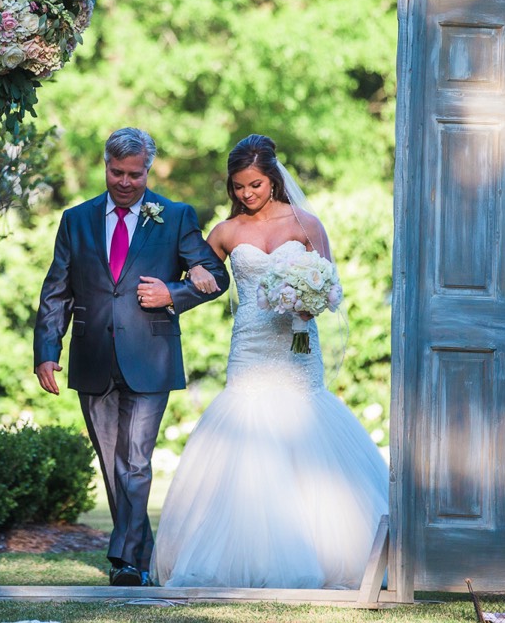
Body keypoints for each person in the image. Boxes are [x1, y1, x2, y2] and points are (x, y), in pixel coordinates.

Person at [151, 134, 389, 589]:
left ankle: (328, 553)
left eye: (255, 184)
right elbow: (200, 273)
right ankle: (238, 559)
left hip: (297, 343)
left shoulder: (306, 223)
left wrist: (309, 303)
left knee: (304, 428)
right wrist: (195, 273)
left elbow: (331, 285)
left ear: (273, 179)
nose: (247, 194)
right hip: (250, 345)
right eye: (239, 186)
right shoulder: (224, 232)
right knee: (246, 429)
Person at [34, 127, 229, 587]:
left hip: (151, 356)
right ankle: (137, 558)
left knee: (136, 461)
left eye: (135, 175)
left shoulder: (175, 216)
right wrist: (46, 350)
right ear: (105, 166)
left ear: (149, 170)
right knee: (111, 460)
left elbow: (216, 276)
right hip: (92, 356)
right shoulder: (75, 219)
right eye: (117, 172)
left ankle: (124, 559)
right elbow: (56, 290)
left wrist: (174, 291)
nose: (125, 182)